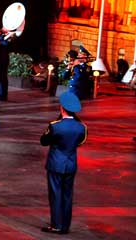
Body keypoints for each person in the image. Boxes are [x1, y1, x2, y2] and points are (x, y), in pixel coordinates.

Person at [40, 91, 87, 234]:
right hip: (71, 163)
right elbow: (80, 142)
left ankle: (56, 224)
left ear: (62, 108)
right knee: (67, 195)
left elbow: (44, 141)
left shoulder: (55, 126)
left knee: (55, 194)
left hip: (56, 163)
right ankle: (65, 225)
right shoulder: (82, 127)